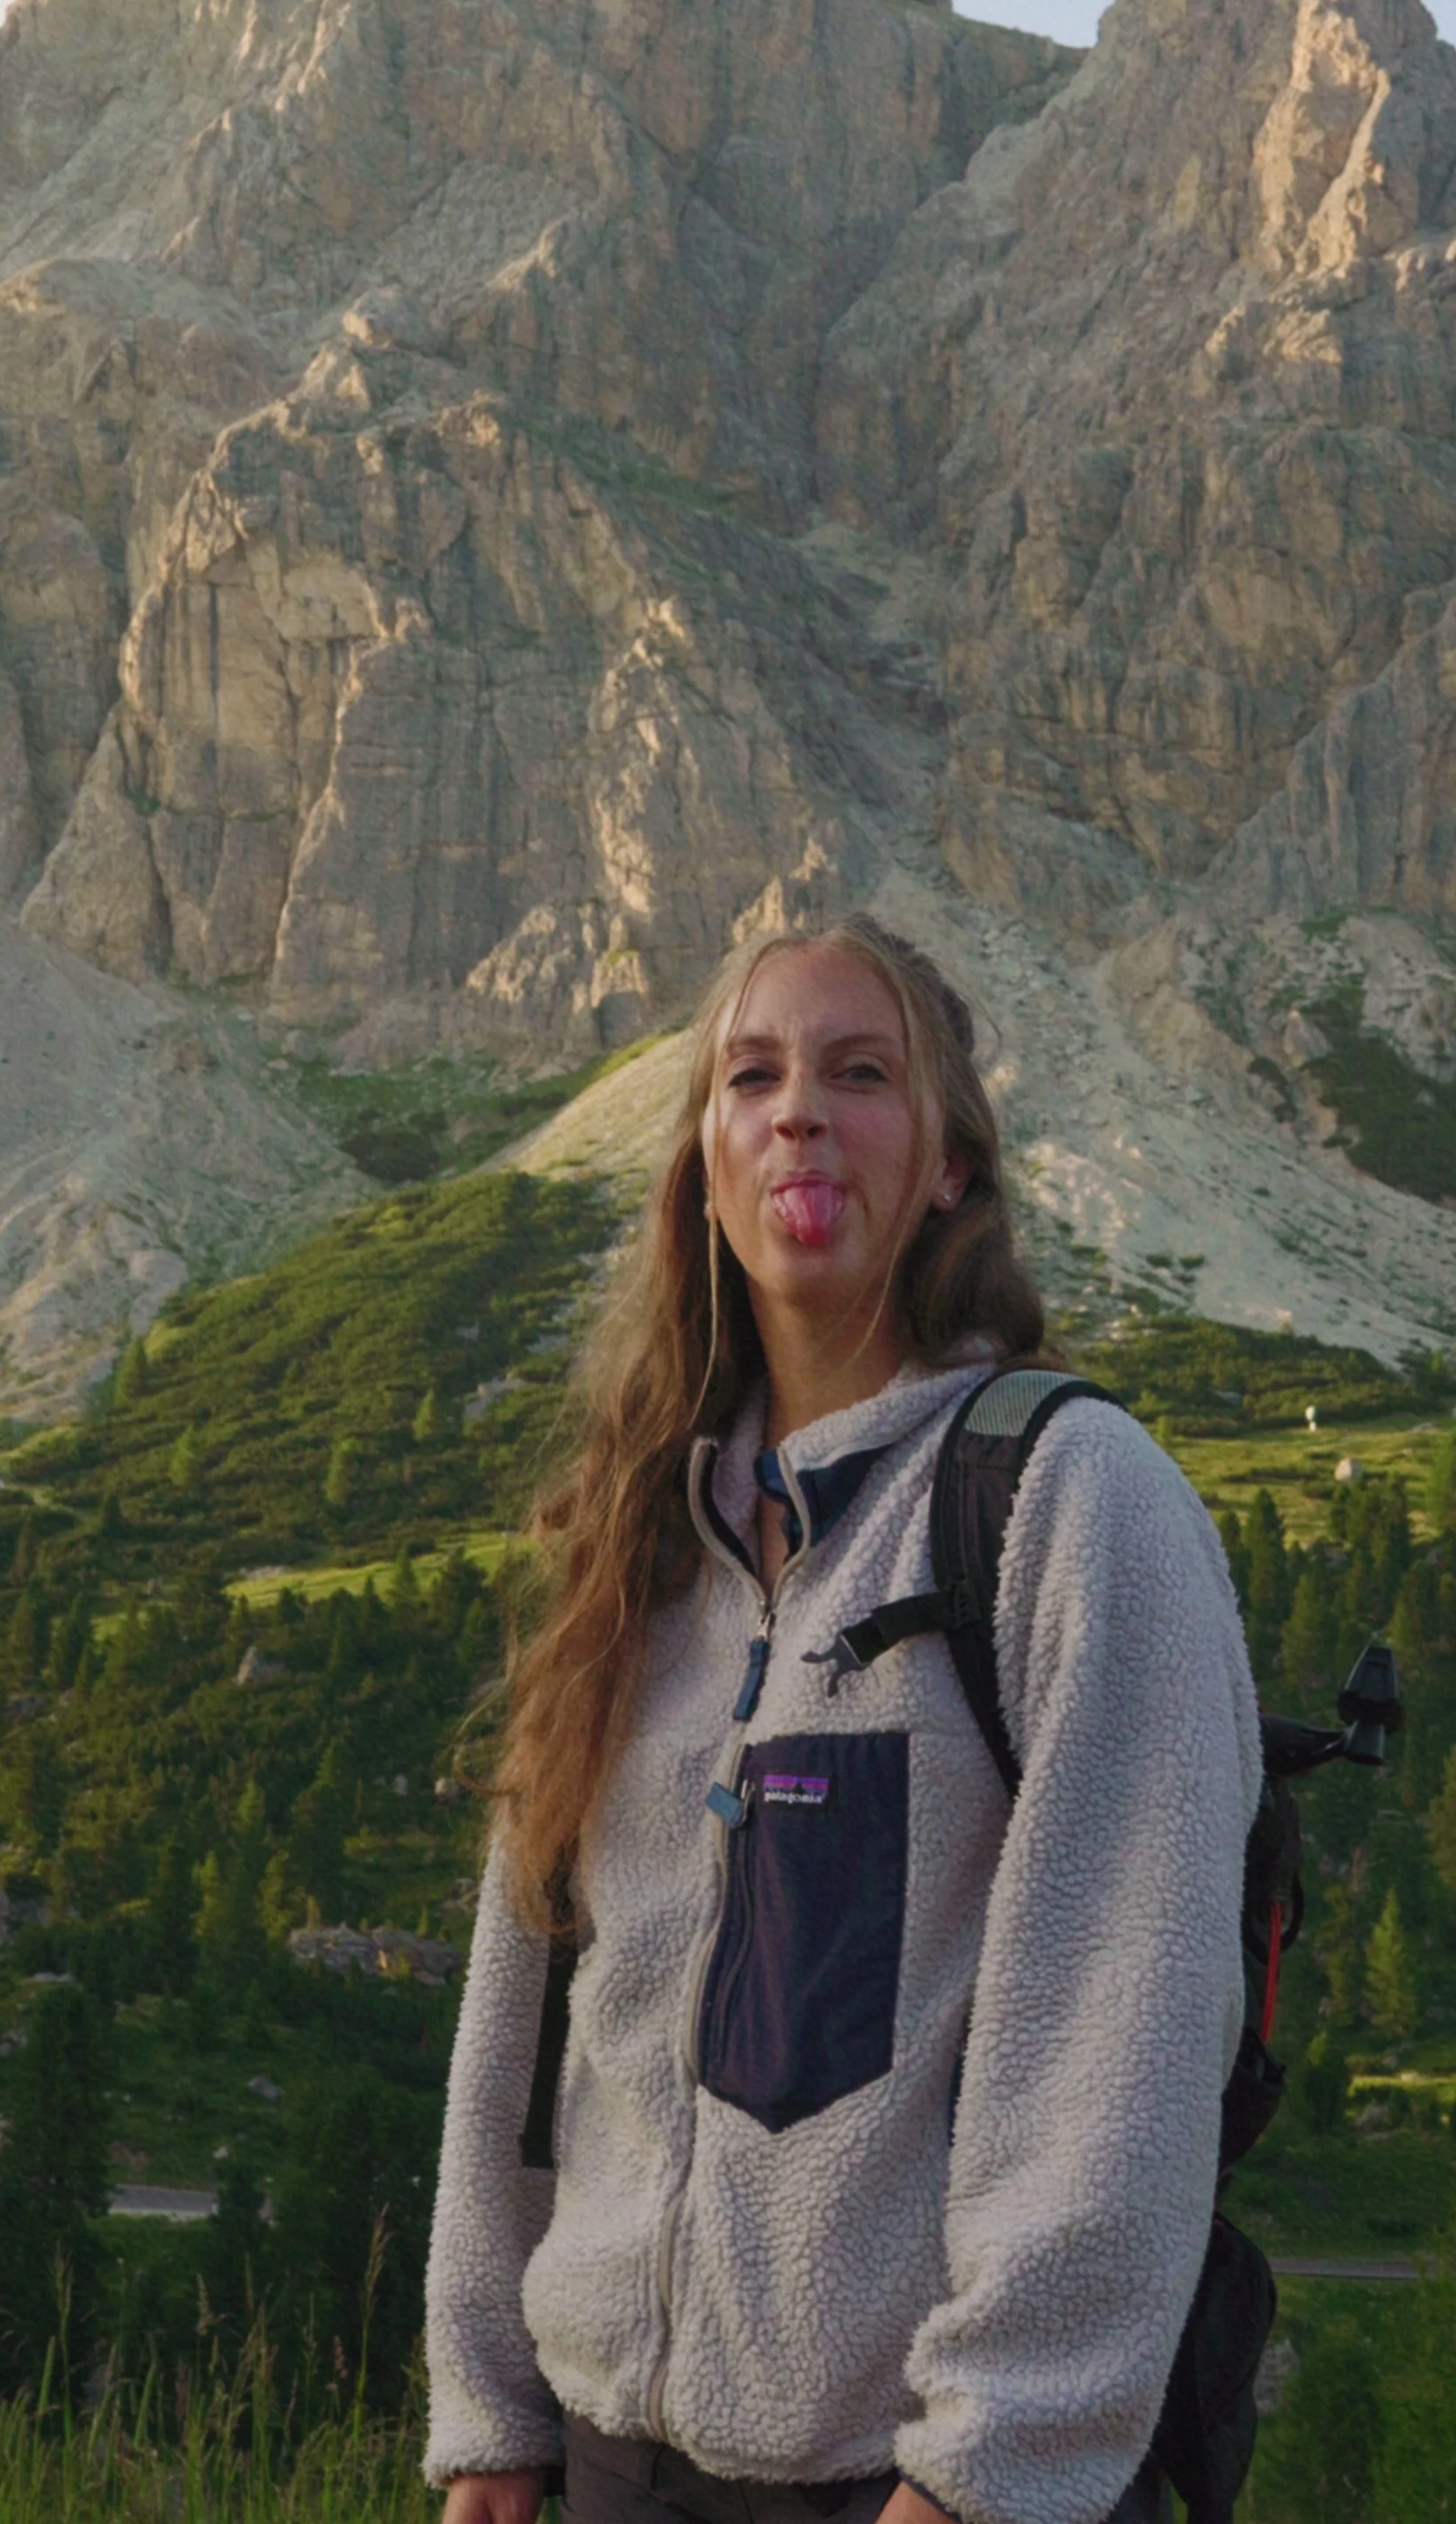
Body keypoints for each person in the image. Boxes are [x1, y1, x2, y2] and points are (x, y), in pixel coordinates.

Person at [426, 915, 1260, 2524]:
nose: (799, 1112)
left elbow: (1123, 2045)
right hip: (600, 2467)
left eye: (860, 1075)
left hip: (904, 2488)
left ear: (949, 1163)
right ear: (708, 1167)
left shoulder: (1071, 1505)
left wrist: (982, 2477)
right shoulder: (637, 1544)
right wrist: (488, 2417)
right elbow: (521, 2031)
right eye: (754, 1077)